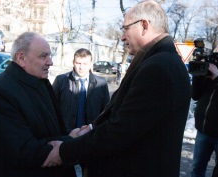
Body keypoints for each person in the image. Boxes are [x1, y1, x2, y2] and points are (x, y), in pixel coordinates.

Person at [42, 1, 191, 177]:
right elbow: (130, 117)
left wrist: (64, 151)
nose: (122, 37)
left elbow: (121, 131)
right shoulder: (163, 60)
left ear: (144, 25)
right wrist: (91, 128)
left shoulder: (158, 67)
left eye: (125, 29)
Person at [0, 32, 77, 177]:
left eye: (50, 55)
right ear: (21, 58)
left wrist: (70, 135)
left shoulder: (40, 82)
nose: (50, 62)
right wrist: (70, 141)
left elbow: (52, 129)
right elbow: (23, 151)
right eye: (43, 56)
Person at [191, 34, 218, 177]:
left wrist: (217, 78)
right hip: (203, 131)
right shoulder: (212, 65)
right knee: (197, 169)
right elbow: (196, 95)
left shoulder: (216, 72)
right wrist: (199, 75)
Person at [52, 48, 110, 133]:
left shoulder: (101, 83)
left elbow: (105, 112)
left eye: (85, 64)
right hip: (65, 134)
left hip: (91, 135)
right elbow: (52, 108)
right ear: (73, 63)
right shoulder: (61, 80)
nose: (81, 67)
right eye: (78, 63)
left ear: (90, 64)